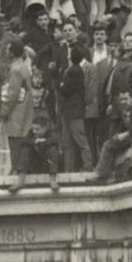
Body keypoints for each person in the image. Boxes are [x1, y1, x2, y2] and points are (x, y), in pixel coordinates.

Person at [0, 36, 35, 191]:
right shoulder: (23, 66)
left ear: (13, 52)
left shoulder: (15, 69)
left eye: (8, 49)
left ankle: (15, 168)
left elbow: (13, 93)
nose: (6, 51)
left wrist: (5, 111)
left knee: (14, 140)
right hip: (25, 108)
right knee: (20, 139)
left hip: (16, 110)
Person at [93, 90, 132, 180]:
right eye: (121, 99)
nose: (123, 101)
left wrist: (127, 134)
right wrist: (117, 135)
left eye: (126, 99)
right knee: (108, 144)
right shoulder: (123, 111)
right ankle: (102, 173)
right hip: (130, 137)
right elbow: (122, 127)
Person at [57, 44, 94, 173]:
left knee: (78, 141)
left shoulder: (73, 71)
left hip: (73, 111)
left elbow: (65, 89)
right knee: (69, 142)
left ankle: (86, 166)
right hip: (72, 111)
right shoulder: (76, 70)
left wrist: (60, 84)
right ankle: (70, 168)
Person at [83, 20, 116, 158]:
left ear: (106, 36)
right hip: (92, 96)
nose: (99, 37)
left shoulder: (111, 53)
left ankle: (105, 158)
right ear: (93, 36)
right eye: (96, 34)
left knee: (104, 130)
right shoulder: (88, 52)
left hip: (106, 95)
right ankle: (93, 159)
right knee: (90, 130)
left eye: (102, 34)